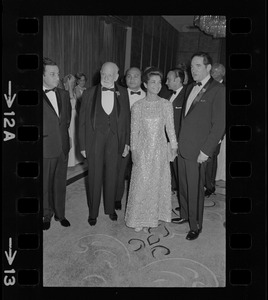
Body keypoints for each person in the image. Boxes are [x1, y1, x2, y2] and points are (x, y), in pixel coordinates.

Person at [172, 52, 225, 240]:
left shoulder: (218, 90)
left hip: (198, 151)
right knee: (184, 185)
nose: (193, 70)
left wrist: (206, 151)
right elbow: (184, 119)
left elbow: (219, 125)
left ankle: (195, 225)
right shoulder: (189, 88)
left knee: (195, 189)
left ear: (208, 68)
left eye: (198, 66)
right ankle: (185, 215)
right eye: (192, 66)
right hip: (183, 147)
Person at [125, 67, 178, 232]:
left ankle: (153, 216)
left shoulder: (166, 105)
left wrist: (174, 146)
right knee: (141, 184)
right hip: (143, 150)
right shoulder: (138, 106)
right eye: (153, 82)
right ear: (145, 84)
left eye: (159, 82)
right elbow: (134, 131)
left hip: (160, 151)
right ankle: (138, 218)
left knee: (157, 184)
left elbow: (170, 128)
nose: (157, 85)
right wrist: (134, 151)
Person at [78, 62, 130, 226]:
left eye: (110, 75)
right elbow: (82, 122)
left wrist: (127, 143)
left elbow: (127, 120)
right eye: (103, 74)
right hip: (94, 140)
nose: (106, 78)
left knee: (112, 175)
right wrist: (83, 145)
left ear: (116, 76)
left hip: (115, 140)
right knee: (94, 176)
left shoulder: (123, 92)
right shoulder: (89, 93)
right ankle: (93, 212)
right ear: (100, 73)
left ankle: (110, 208)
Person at [43, 57, 71, 230]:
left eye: (58, 73)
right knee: (45, 184)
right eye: (52, 74)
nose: (57, 78)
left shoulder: (63, 94)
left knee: (60, 183)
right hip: (46, 147)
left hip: (63, 146)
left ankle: (60, 214)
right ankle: (46, 214)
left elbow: (66, 121)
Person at [115, 67, 146, 211]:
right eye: (129, 76)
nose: (132, 79)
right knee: (119, 171)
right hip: (121, 140)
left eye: (136, 76)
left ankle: (137, 201)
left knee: (139, 173)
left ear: (141, 79)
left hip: (141, 141)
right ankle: (116, 199)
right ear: (124, 78)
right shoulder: (117, 95)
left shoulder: (147, 96)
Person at [164, 67, 187, 205]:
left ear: (178, 80)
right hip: (167, 140)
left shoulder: (186, 96)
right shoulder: (169, 94)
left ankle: (185, 207)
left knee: (181, 175)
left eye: (168, 79)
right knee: (171, 172)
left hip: (178, 142)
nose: (166, 82)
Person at [204, 63, 226, 197]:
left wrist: (219, 136)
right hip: (204, 130)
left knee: (211, 159)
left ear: (221, 74)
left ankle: (210, 186)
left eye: (215, 72)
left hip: (216, 132)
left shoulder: (224, 89)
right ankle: (204, 184)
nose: (212, 74)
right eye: (211, 72)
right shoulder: (207, 87)